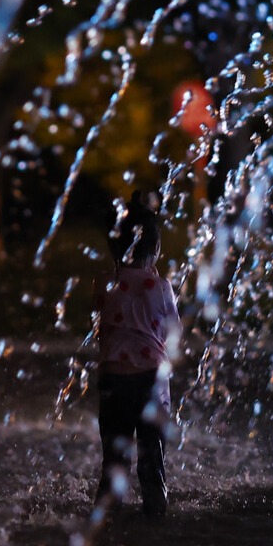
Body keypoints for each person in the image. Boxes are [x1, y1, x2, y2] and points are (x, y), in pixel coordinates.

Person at [93, 190, 180, 519]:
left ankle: (106, 511)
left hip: (113, 381)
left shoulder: (104, 283)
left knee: (114, 456)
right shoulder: (160, 287)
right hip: (148, 381)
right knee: (151, 454)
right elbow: (173, 332)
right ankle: (156, 511)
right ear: (156, 248)